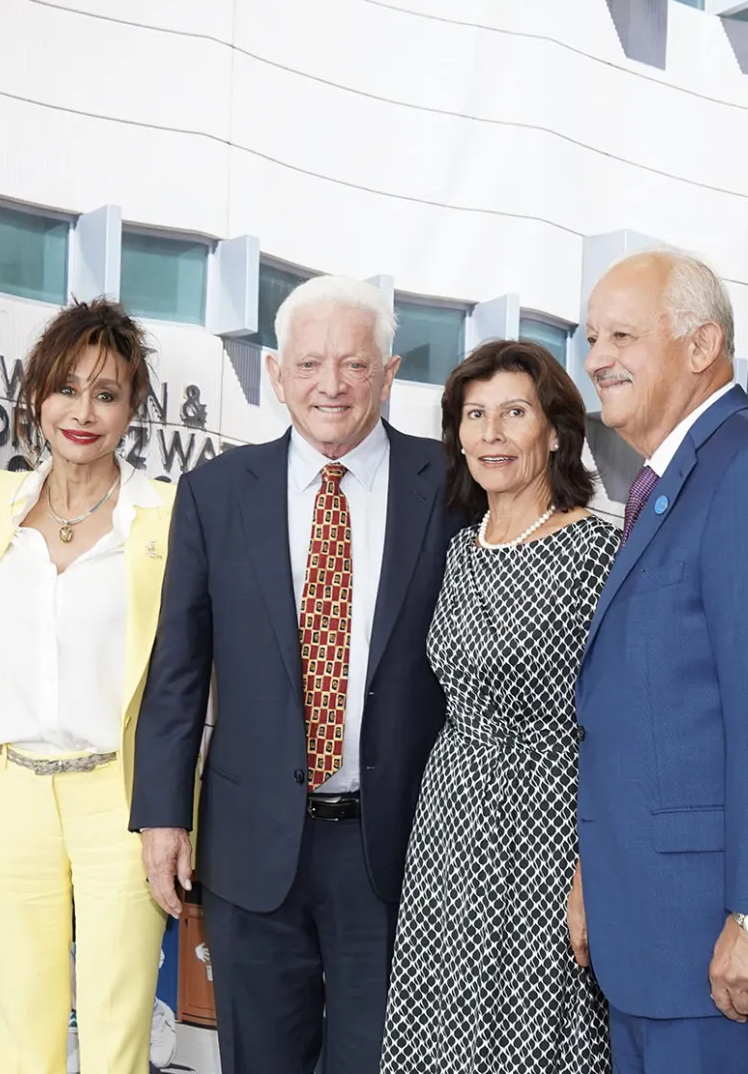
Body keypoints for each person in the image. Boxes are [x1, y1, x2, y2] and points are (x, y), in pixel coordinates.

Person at [131, 274, 465, 1072]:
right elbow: (178, 667)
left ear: (388, 376)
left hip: (399, 849)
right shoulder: (215, 493)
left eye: (355, 365)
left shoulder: (453, 488)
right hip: (252, 850)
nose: (332, 386)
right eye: (310, 364)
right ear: (277, 375)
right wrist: (162, 817)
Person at [572, 250, 748, 1074]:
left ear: (703, 343)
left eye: (622, 335)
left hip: (717, 953)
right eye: (591, 335)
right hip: (648, 938)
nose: (597, 356)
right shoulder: (668, 481)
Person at [379, 340, 619, 1072]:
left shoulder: (598, 552)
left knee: (532, 1034)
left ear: (554, 430)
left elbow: (615, 727)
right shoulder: (458, 550)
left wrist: (593, 870)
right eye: (474, 415)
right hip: (450, 827)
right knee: (441, 1026)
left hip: (548, 828)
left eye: (513, 413)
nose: (490, 433)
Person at [0, 297, 173, 1071]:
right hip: (7, 789)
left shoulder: (167, 516)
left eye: (106, 394)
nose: (83, 412)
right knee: (23, 1025)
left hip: (122, 798)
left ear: (133, 408)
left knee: (116, 1030)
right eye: (66, 389)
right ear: (35, 397)